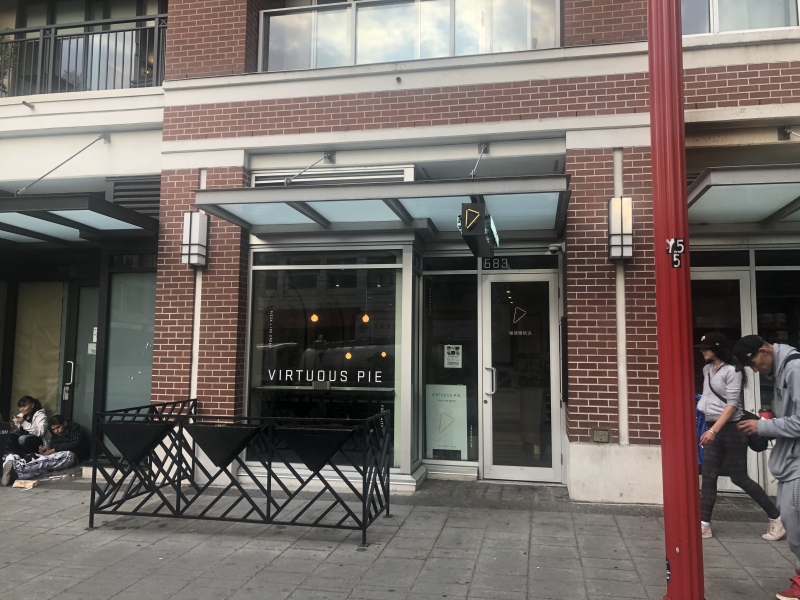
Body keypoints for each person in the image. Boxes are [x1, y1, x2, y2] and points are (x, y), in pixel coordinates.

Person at [695, 332, 784, 541]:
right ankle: (704, 524)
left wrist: (713, 431)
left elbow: (732, 404)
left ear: (718, 348)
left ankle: (777, 518)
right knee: (708, 476)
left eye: (706, 348)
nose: (702, 351)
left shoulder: (732, 370)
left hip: (732, 429)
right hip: (712, 425)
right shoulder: (707, 369)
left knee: (739, 477)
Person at [735, 335, 800, 600]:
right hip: (791, 460)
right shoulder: (782, 371)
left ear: (764, 351)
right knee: (790, 519)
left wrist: (763, 426)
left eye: (753, 363)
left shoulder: (794, 369)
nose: (754, 369)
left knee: (794, 521)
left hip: (797, 462)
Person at [1, 415, 87, 486]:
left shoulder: (74, 428)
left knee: (45, 462)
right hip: (55, 456)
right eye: (54, 429)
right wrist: (46, 450)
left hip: (72, 455)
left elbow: (75, 443)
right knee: (40, 467)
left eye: (58, 427)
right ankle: (15, 475)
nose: (56, 431)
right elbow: (52, 446)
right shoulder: (55, 435)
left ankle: (16, 467)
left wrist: (54, 450)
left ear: (64, 423)